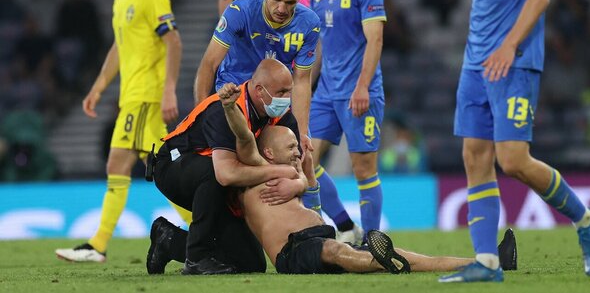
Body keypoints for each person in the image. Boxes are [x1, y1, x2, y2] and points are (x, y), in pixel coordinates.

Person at [145, 80, 518, 275]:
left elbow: (309, 181)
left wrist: (301, 172)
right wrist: (231, 109)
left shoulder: (288, 167)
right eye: (289, 145)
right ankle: (379, 261)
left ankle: (485, 262)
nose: (296, 150)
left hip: (316, 232)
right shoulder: (250, 168)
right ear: (269, 152)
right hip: (294, 249)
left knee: (248, 265)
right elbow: (242, 141)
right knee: (342, 253)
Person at [440, 0, 590, 283]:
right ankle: (487, 263)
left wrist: (509, 46)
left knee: (512, 159)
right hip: (476, 65)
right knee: (474, 156)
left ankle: (586, 219)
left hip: (512, 63)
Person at [55, 0, 184, 263]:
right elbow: (119, 46)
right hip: (132, 96)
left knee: (121, 163)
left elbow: (173, 41)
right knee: (161, 170)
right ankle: (206, 232)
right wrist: (98, 86)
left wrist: (169, 88)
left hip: (146, 96)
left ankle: (98, 245)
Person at [149, 58, 308, 275]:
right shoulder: (223, 110)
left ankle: (168, 240)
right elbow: (225, 174)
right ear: (260, 90)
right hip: (175, 167)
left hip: (222, 184)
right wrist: (280, 172)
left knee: (250, 264)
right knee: (213, 173)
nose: (286, 99)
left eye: (289, 91)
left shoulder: (283, 118)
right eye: (281, 92)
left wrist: (297, 184)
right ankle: (196, 258)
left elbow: (298, 165)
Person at [308, 0, 385, 244]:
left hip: (358, 92)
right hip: (325, 91)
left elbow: (375, 41)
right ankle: (344, 226)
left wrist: (363, 86)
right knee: (304, 162)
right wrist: (305, 86)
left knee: (364, 167)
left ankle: (371, 241)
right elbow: (320, 43)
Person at [194, 0, 320, 155]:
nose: (281, 9)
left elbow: (302, 80)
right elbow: (209, 64)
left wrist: (302, 132)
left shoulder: (309, 23)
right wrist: (201, 115)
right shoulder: (240, 12)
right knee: (239, 163)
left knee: (299, 159)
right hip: (235, 95)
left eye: (290, 3)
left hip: (275, 102)